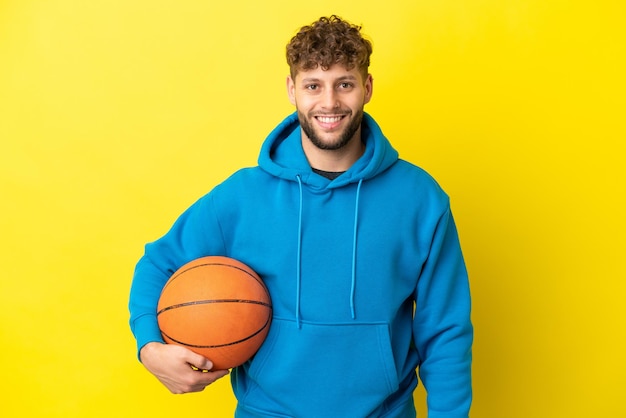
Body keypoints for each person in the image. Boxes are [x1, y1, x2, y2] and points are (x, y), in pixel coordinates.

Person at [129, 15, 473, 417]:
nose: (329, 103)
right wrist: (150, 347)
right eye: (313, 85)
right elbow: (159, 263)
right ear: (293, 90)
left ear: (367, 87)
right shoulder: (244, 195)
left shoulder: (420, 198)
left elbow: (446, 330)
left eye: (344, 83)